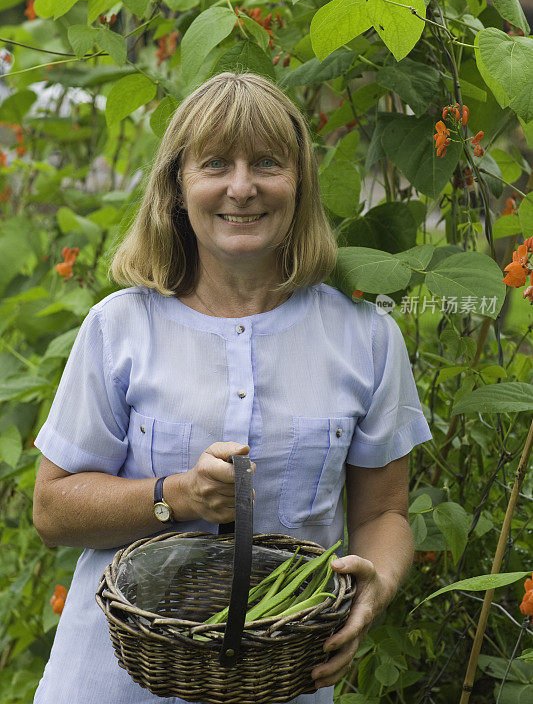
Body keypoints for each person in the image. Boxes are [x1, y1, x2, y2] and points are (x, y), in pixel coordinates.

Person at [32, 71, 432, 704]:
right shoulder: (120, 327)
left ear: (299, 183)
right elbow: (52, 511)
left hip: (286, 683)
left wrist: (376, 583)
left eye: (267, 163)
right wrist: (178, 496)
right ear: (176, 188)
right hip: (115, 681)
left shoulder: (366, 336)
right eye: (215, 163)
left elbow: (383, 513)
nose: (241, 188)